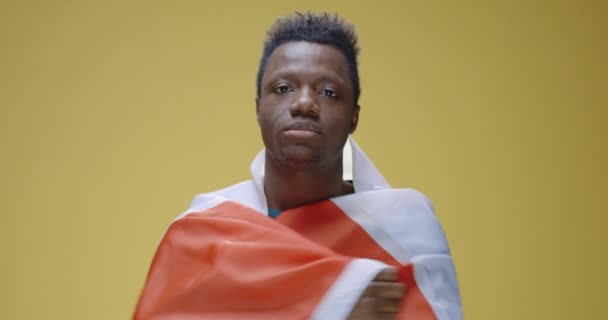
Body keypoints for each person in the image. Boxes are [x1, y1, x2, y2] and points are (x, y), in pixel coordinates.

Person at [134, 12, 461, 320]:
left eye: (329, 92)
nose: (304, 103)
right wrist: (335, 303)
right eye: (283, 88)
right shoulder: (201, 235)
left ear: (354, 117)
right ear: (259, 108)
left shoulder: (401, 231)